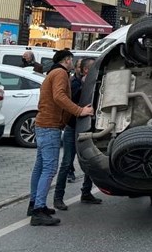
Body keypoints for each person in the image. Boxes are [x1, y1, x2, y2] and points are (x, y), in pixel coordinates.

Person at [29, 49, 93, 226]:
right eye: (72, 60)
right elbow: (59, 96)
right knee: (50, 169)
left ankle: (34, 203)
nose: (74, 64)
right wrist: (80, 111)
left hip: (43, 123)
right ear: (67, 60)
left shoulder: (52, 73)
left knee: (40, 166)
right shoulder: (61, 73)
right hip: (50, 126)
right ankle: (38, 211)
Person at [54, 58, 103, 209]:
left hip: (89, 128)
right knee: (67, 163)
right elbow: (68, 104)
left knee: (91, 161)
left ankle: (86, 192)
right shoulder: (74, 84)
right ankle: (58, 197)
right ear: (87, 70)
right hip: (73, 128)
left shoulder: (96, 85)